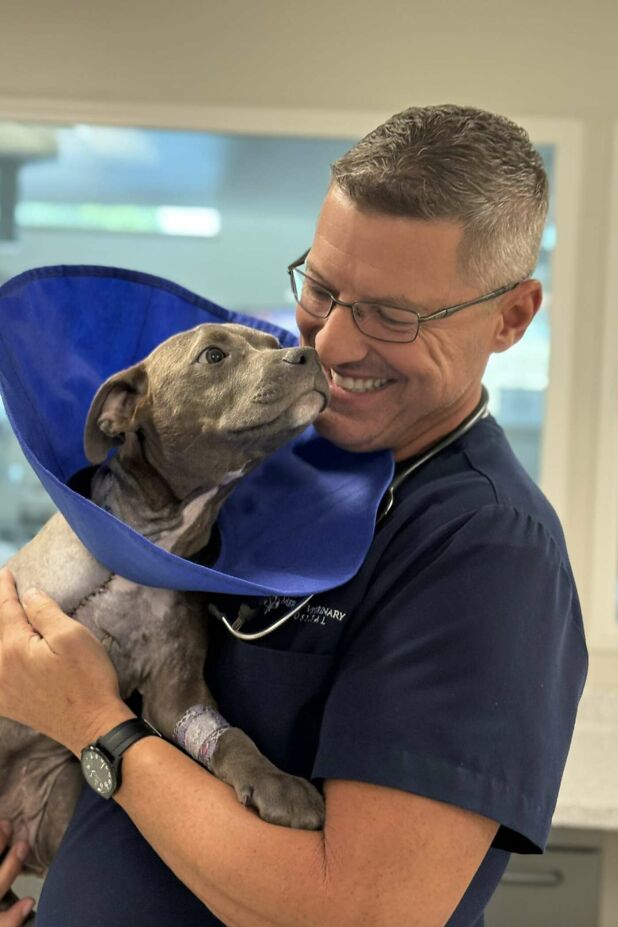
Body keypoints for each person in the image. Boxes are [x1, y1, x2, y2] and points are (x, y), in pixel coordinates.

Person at [0, 104, 587, 927]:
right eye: (322, 286)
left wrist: (92, 724)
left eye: (393, 314)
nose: (335, 343)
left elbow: (358, 913)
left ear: (510, 318)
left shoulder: (486, 553)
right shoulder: (269, 464)